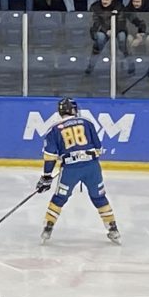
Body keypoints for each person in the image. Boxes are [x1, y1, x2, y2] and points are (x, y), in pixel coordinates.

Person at [36, 97, 120, 244]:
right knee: (99, 197)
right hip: (91, 167)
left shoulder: (54, 130)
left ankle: (47, 228)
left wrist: (47, 176)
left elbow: (50, 156)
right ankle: (113, 229)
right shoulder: (87, 123)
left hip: (70, 170)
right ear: (73, 110)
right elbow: (98, 148)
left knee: (59, 198)